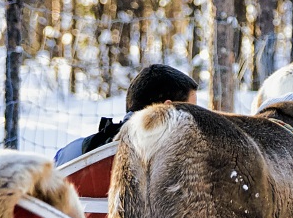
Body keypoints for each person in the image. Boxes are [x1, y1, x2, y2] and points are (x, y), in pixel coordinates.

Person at [54, 64, 199, 165]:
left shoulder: (70, 155)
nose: (195, 120)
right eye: (192, 111)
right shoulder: (184, 167)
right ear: (168, 110)